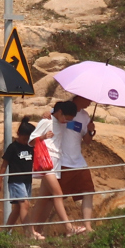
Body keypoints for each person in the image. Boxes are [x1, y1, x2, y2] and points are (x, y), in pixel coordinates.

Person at [47, 97, 97, 232]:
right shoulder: (63, 109)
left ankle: (87, 226)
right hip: (63, 161)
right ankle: (59, 227)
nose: (90, 102)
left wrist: (91, 130)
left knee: (88, 192)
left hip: (78, 161)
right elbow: (49, 117)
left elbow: (87, 140)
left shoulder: (85, 116)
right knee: (56, 197)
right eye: (88, 99)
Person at [2, 117, 36, 234]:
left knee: (17, 208)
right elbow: (4, 164)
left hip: (27, 180)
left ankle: (5, 231)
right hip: (16, 180)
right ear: (18, 134)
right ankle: (29, 232)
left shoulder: (31, 146)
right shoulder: (13, 147)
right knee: (24, 204)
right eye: (24, 138)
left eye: (28, 139)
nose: (26, 141)